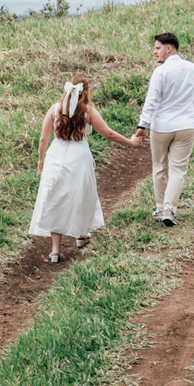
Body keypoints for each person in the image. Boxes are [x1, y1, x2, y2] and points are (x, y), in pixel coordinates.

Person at [29, 75, 140, 263]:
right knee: (81, 194)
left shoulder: (55, 109)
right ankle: (81, 235)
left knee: (56, 198)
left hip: (56, 156)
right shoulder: (88, 112)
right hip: (79, 157)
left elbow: (43, 139)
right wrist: (131, 142)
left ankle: (55, 251)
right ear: (85, 93)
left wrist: (42, 158)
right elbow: (109, 134)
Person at [136, 31, 194, 226]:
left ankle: (159, 206)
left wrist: (142, 125)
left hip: (162, 126)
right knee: (178, 169)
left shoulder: (161, 71)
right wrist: (192, 119)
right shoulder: (193, 69)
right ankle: (169, 209)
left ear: (168, 48)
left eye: (157, 48)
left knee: (159, 166)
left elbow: (152, 100)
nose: (155, 52)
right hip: (186, 125)